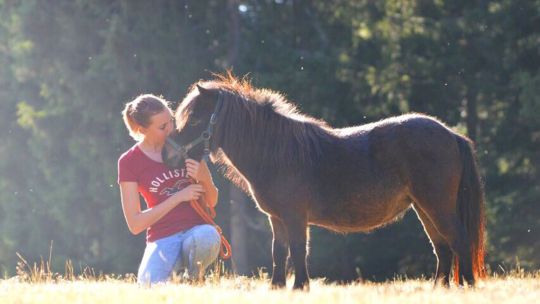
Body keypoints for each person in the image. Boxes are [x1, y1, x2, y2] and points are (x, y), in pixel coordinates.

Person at [117, 94, 221, 285]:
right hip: (162, 238)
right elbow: (135, 224)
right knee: (148, 285)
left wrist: (205, 178)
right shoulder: (128, 161)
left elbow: (212, 201)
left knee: (208, 235)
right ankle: (178, 275)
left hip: (195, 232)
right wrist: (178, 197)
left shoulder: (187, 147)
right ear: (142, 130)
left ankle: (194, 279)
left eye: (171, 122)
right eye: (163, 127)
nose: (171, 129)